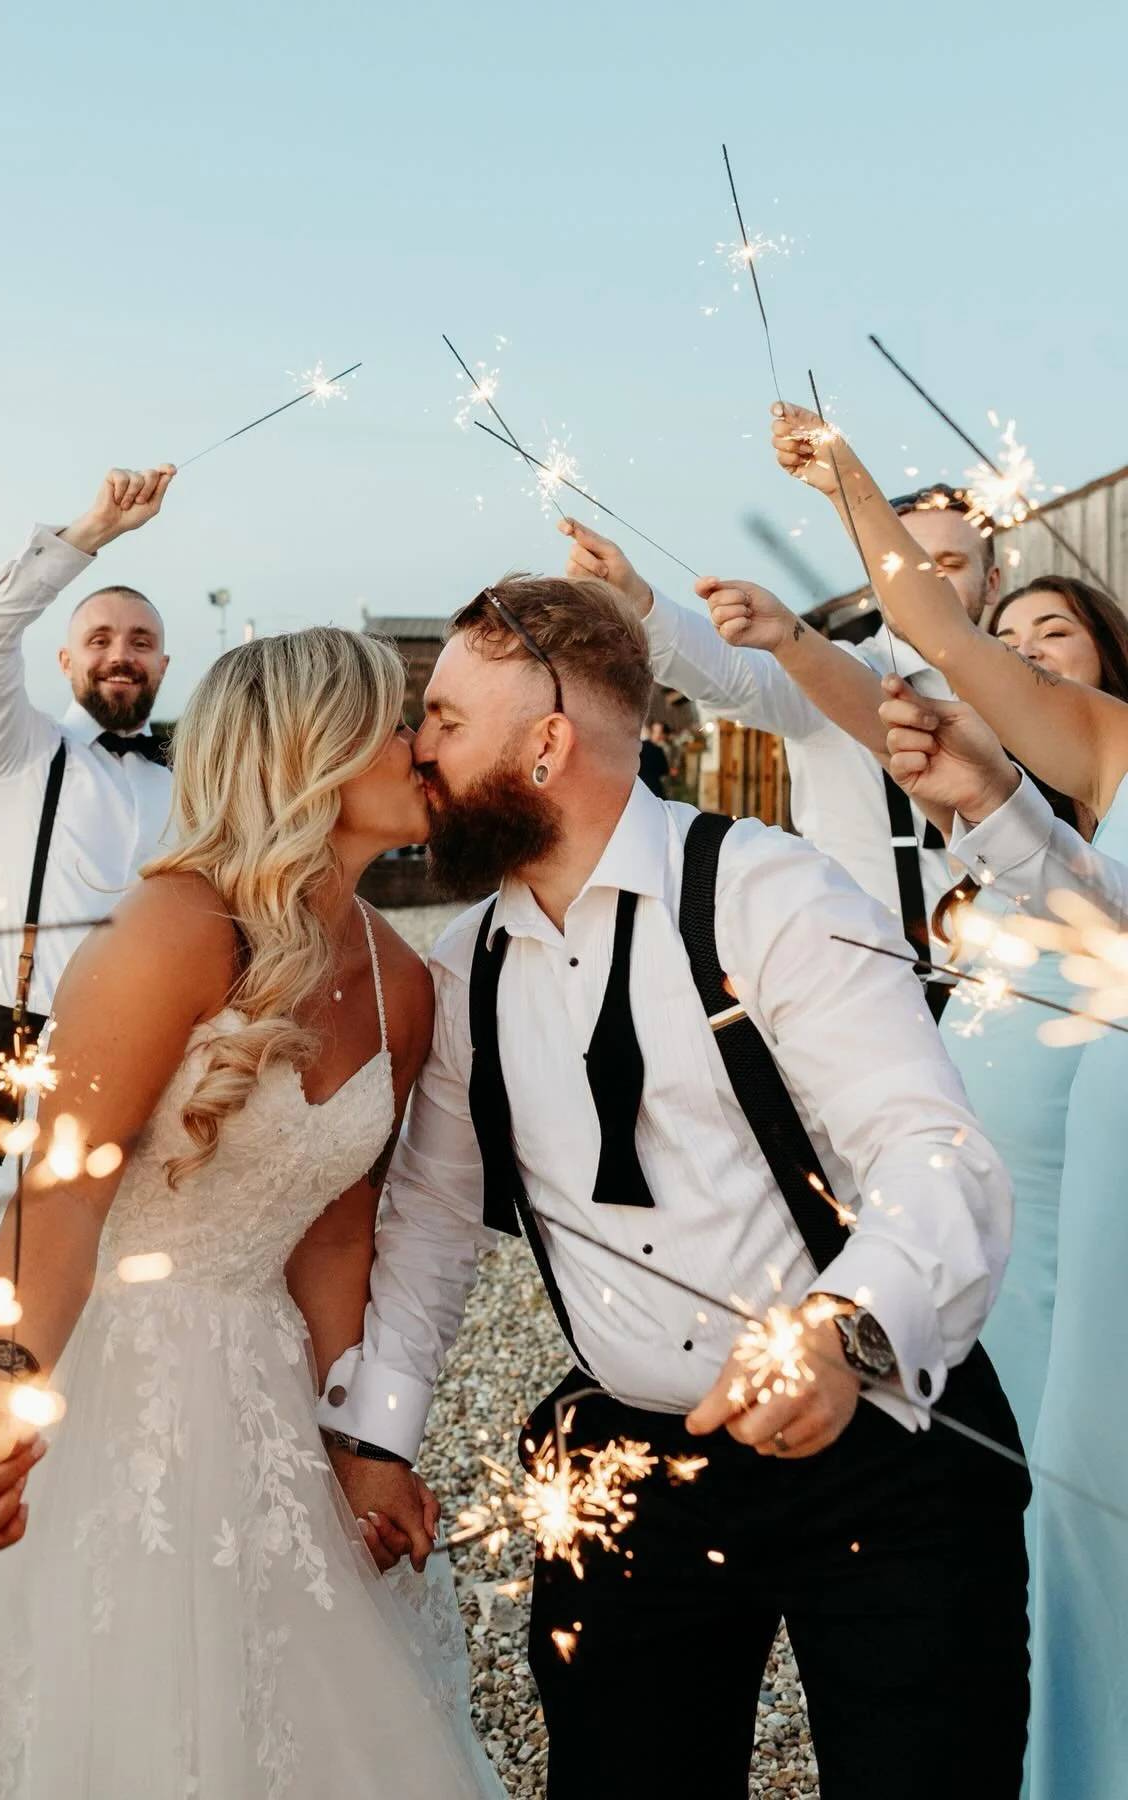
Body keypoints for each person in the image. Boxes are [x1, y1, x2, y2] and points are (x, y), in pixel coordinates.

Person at [0, 628, 505, 1800]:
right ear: (312, 749)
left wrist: (358, 1440)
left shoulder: (399, 975)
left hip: (254, 1368)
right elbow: (62, 1195)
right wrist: (8, 1378)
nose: (424, 746)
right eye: (399, 720)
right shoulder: (173, 929)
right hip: (87, 1329)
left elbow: (333, 1229)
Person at [320, 572, 1026, 1798]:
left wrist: (840, 1329)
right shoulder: (463, 968)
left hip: (880, 1448)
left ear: (546, 744)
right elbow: (432, 1222)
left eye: (440, 718)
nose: (413, 750)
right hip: (624, 1477)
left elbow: (933, 1149)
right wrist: (377, 1434)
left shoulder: (773, 896)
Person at [774, 397, 1128, 1800]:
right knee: (1096, 1483)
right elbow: (934, 636)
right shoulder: (1109, 744)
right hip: (1112, 1133)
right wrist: (857, 489)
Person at [561, 483, 1000, 973]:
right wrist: (637, 602)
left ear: (994, 582)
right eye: (904, 567)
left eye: (950, 565)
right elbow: (736, 676)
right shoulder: (833, 676)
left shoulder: (1039, 701)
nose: (926, 584)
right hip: (870, 997)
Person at [0, 464, 178, 1173]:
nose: (121, 655)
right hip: (28, 1041)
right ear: (65, 659)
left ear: (163, 665)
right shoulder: (21, 749)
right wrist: (93, 533)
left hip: (158, 1047)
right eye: (101, 639)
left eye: (140, 642)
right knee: (8, 1254)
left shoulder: (187, 779)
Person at [637, 717, 672, 796]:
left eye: (660, 732)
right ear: (651, 732)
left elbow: (664, 770)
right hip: (642, 787)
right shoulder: (641, 747)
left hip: (655, 787)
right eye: (656, 732)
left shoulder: (662, 749)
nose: (658, 735)